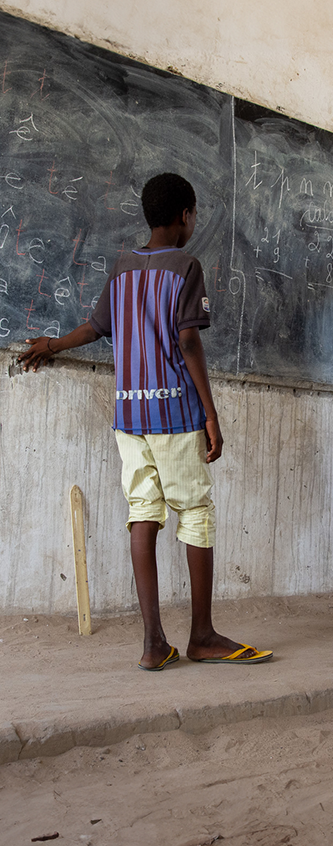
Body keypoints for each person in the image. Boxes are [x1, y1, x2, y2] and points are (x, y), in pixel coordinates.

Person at [19, 172, 273, 668]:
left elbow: (95, 327)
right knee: (195, 512)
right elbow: (188, 341)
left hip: (129, 416)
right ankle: (202, 635)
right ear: (184, 216)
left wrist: (51, 344)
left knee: (143, 515)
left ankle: (154, 642)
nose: (194, 222)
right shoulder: (186, 266)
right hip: (175, 413)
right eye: (195, 215)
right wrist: (210, 413)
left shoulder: (121, 268)